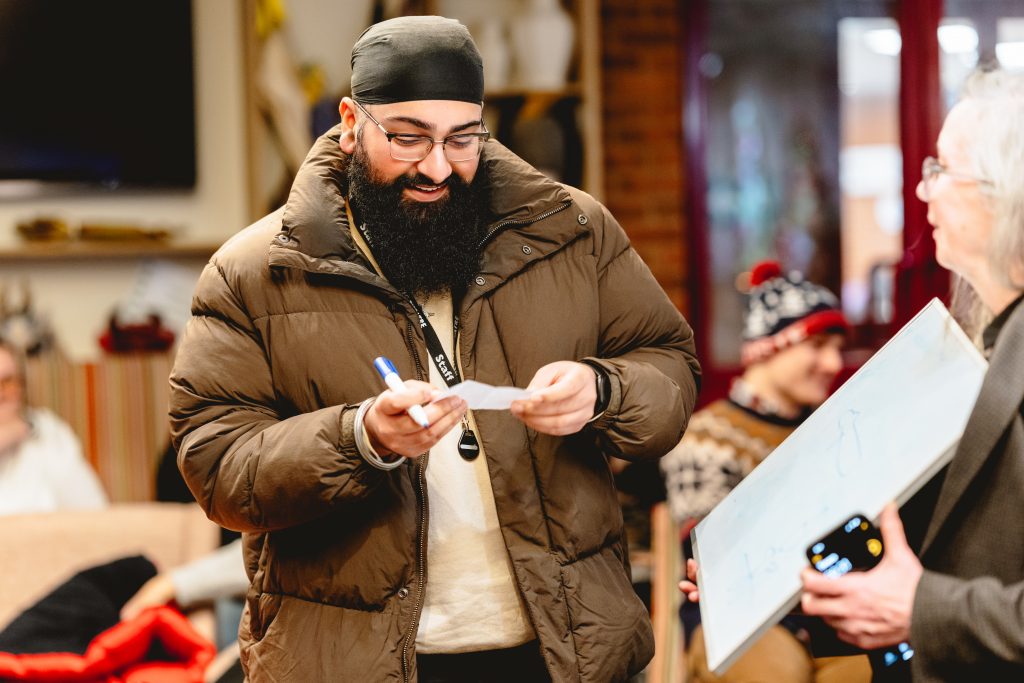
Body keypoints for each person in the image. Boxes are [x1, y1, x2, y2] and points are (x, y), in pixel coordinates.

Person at [169, 15, 700, 683]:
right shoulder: (255, 271)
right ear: (349, 121)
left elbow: (670, 365)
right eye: (408, 137)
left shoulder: (574, 232)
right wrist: (358, 437)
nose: (438, 166)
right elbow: (217, 465)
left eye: (462, 138)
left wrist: (605, 389)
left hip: (562, 653)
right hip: (354, 662)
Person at [798, 67, 1024, 681]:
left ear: (1007, 197)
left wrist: (922, 609)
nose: (923, 192)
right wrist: (783, 591)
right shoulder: (990, 333)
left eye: (941, 169)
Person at [661, 261, 869, 682]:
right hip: (739, 616)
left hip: (827, 610)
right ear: (772, 347)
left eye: (837, 347)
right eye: (817, 345)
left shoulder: (833, 430)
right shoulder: (708, 437)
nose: (833, 362)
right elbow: (719, 566)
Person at [0, 339, 107, 515]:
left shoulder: (47, 429)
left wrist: (25, 428)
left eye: (8, 381)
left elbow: (92, 507)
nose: (1, 393)